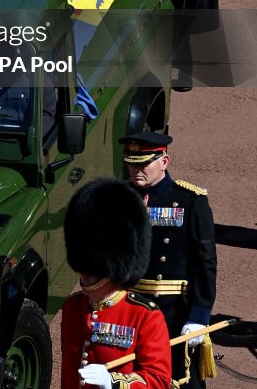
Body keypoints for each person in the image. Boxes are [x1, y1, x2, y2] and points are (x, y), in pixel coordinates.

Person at [121, 131, 217, 389]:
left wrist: (199, 315)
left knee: (177, 379)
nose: (135, 170)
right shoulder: (118, 198)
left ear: (164, 161)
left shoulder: (189, 200)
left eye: (142, 164)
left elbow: (205, 262)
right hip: (128, 307)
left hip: (173, 311)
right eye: (131, 163)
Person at [61, 176, 171, 389]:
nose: (85, 273)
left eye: (93, 268)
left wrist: (113, 382)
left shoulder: (144, 317)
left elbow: (159, 381)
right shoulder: (73, 307)